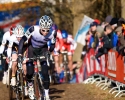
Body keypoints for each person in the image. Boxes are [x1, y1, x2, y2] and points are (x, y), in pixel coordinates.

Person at [18, 15, 56, 100]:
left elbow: (53, 45)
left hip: (43, 49)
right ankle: (30, 86)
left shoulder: (53, 33)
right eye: (43, 30)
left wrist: (49, 52)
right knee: (30, 71)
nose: (46, 32)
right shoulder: (33, 29)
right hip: (31, 49)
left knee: (45, 72)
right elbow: (22, 40)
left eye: (47, 30)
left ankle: (46, 94)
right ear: (40, 27)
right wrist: (20, 55)